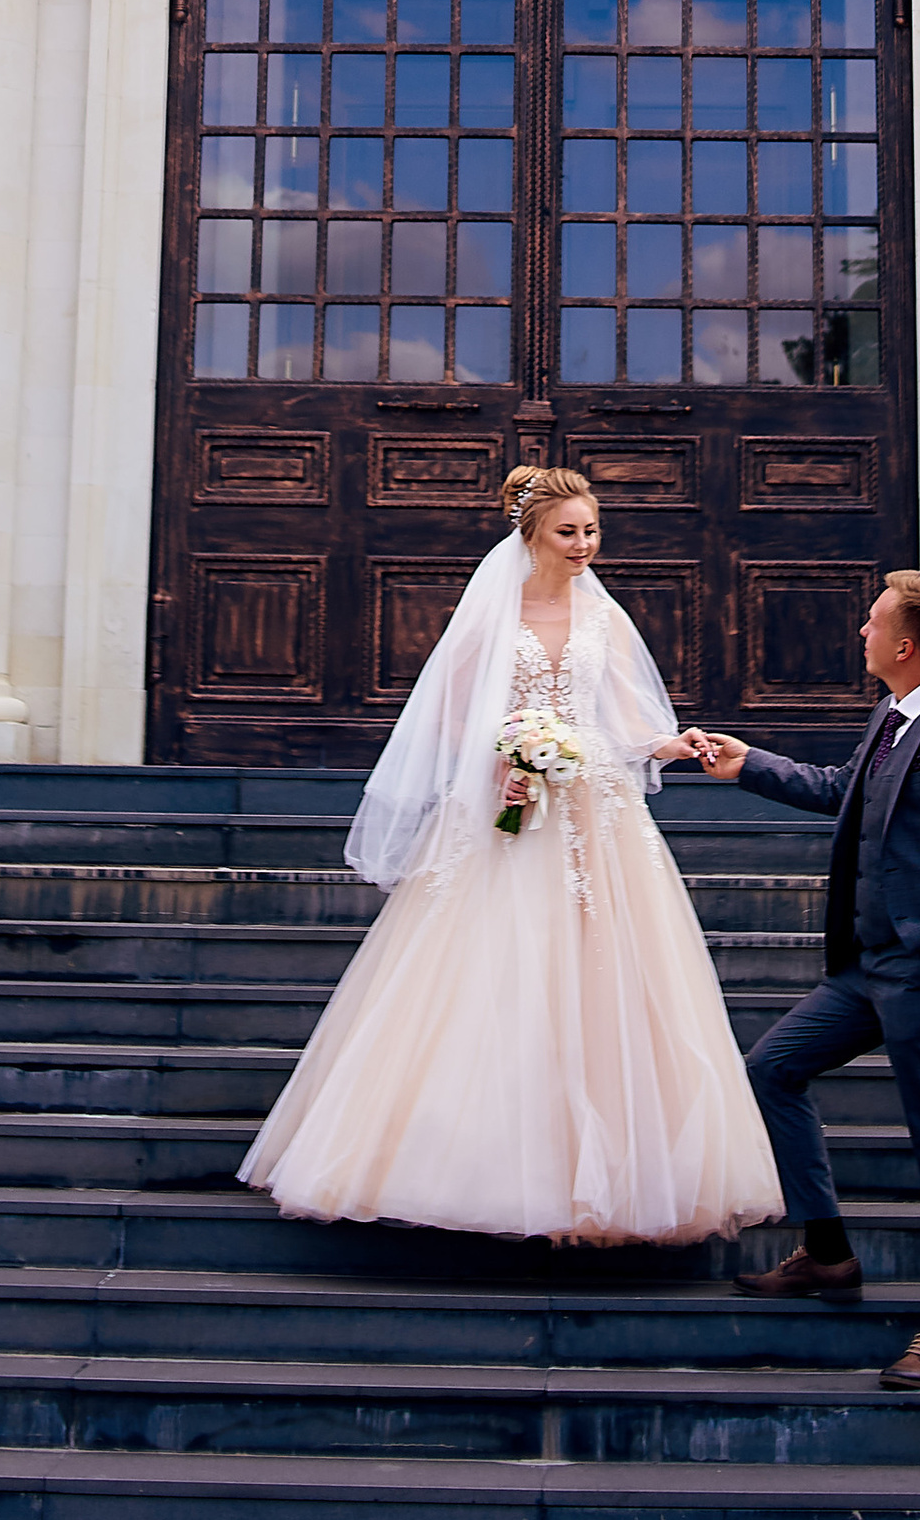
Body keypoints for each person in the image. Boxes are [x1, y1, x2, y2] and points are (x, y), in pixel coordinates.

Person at [240, 465, 782, 1246]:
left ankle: (615, 1179)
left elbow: (628, 722)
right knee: (499, 976)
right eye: (569, 532)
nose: (585, 545)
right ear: (531, 534)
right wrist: (511, 755)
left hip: (597, 813)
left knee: (609, 982)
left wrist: (677, 742)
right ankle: (471, 1167)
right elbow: (452, 720)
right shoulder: (491, 616)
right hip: (512, 810)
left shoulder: (607, 621)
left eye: (592, 531)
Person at [683, 568, 920, 1390]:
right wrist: (748, 764)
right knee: (772, 1070)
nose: (860, 631)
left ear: (903, 644)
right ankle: (826, 1253)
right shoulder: (892, 719)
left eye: (872, 622)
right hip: (866, 970)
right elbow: (836, 792)